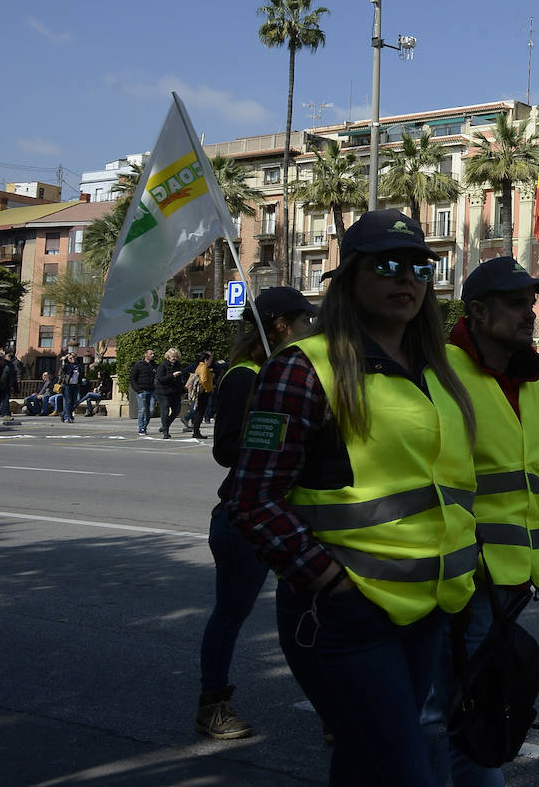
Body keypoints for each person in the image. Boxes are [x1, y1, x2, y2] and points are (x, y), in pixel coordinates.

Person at [228, 209, 478, 785]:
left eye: (420, 265)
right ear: (350, 278)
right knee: (402, 770)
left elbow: (449, 491)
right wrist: (332, 585)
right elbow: (253, 499)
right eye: (387, 265)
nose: (407, 278)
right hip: (348, 616)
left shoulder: (437, 372)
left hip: (430, 609)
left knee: (365, 765)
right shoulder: (302, 368)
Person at [424, 255, 539, 787]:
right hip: (461, 579)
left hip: (511, 581)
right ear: (477, 313)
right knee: (454, 716)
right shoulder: (439, 375)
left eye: (531, 302)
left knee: (475, 708)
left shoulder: (535, 387)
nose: (529, 312)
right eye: (514, 303)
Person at [196, 287, 316, 740]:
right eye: (304, 320)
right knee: (231, 612)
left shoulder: (284, 371)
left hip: (291, 511)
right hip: (244, 514)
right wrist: (269, 439)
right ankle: (213, 706)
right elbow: (225, 449)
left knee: (312, 613)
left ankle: (333, 710)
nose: (311, 329)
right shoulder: (245, 376)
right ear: (282, 325)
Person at [154, 348, 186, 439]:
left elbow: (180, 380)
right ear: (168, 356)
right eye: (173, 356)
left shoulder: (177, 365)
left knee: (176, 411)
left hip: (175, 392)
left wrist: (182, 390)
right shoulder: (162, 366)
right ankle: (166, 432)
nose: (174, 358)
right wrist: (172, 375)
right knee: (165, 411)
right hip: (163, 392)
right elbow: (161, 379)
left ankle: (165, 425)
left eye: (176, 356)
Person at [186, 352, 214, 439]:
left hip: (201, 392)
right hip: (203, 392)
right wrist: (208, 389)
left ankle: (196, 431)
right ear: (206, 360)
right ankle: (196, 431)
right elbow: (203, 380)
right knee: (200, 412)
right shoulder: (204, 367)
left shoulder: (200, 366)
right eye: (210, 360)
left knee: (199, 411)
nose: (210, 361)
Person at [130, 349, 158, 435]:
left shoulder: (155, 366)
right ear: (145, 355)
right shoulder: (139, 365)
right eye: (151, 353)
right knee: (142, 410)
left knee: (151, 409)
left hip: (152, 391)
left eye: (153, 353)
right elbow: (132, 378)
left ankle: (145, 425)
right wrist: (138, 389)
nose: (153, 355)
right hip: (142, 391)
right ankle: (141, 428)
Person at [59, 353, 85, 423]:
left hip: (75, 385)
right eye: (70, 358)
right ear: (68, 359)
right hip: (67, 385)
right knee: (68, 401)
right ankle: (69, 417)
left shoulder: (78, 365)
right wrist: (64, 360)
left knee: (75, 402)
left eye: (74, 357)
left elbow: (81, 373)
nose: (73, 359)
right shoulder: (67, 366)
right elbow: (63, 368)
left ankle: (63, 413)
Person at [0, 352, 13, 418]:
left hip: (6, 385)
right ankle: (2, 412)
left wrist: (13, 386)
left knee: (5, 399)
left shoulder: (9, 365)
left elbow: (13, 376)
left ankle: (6, 414)